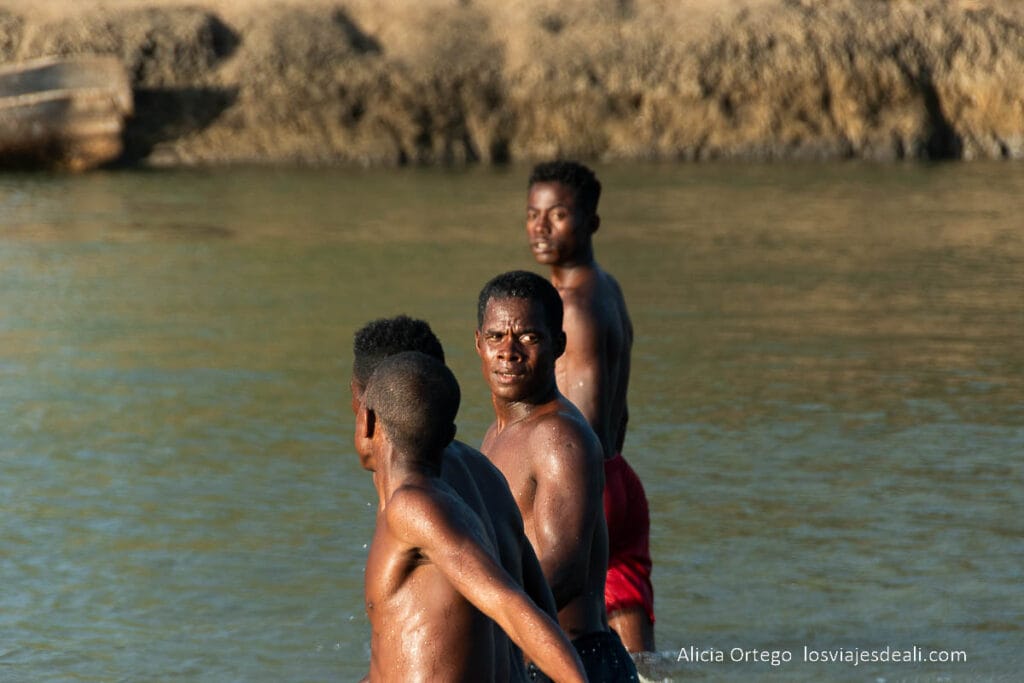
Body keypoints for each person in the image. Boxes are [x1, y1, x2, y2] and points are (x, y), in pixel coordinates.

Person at [355, 351, 587, 683]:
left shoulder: (414, 507)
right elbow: (539, 602)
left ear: (367, 421)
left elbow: (511, 605)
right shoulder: (464, 491)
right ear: (450, 435)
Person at [476, 271, 639, 682]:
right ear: (478, 342)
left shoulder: (559, 436)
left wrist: (479, 628)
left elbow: (564, 571)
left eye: (528, 337)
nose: (508, 352)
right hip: (530, 655)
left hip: (575, 659)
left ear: (559, 345)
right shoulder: (495, 435)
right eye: (496, 337)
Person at [525, 161, 655, 653]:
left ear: (591, 222)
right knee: (634, 645)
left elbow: (583, 428)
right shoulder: (607, 286)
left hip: (586, 488)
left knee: (561, 639)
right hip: (621, 480)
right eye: (533, 214)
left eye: (557, 215)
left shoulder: (571, 309)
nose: (541, 227)